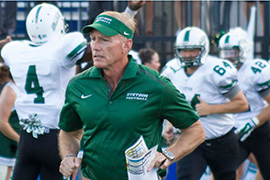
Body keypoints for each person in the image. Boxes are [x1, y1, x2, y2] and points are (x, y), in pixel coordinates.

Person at [58, 11, 205, 180]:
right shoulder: (78, 85)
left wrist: (169, 155)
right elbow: (69, 132)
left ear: (126, 45)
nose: (96, 46)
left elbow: (196, 130)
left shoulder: (156, 85)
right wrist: (69, 155)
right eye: (93, 39)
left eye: (105, 40)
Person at [0, 3, 89, 180]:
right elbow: (99, 53)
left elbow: (3, 48)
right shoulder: (63, 47)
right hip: (55, 138)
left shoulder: (14, 50)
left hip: (27, 138)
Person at [161, 26, 249, 180]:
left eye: (193, 50)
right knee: (186, 177)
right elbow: (170, 104)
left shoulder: (217, 70)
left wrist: (211, 109)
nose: (187, 55)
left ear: (203, 49)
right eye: (183, 50)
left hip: (222, 139)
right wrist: (169, 124)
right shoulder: (171, 70)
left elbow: (242, 104)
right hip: (191, 140)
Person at [218, 27, 270, 179]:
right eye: (225, 53)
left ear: (242, 50)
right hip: (232, 131)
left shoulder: (254, 71)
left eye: (232, 53)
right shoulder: (217, 72)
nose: (228, 57)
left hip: (258, 129)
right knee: (225, 171)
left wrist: (253, 122)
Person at [0, 62, 20, 180]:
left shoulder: (23, 88)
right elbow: (2, 122)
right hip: (4, 148)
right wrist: (21, 140)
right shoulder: (11, 89)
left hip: (13, 149)